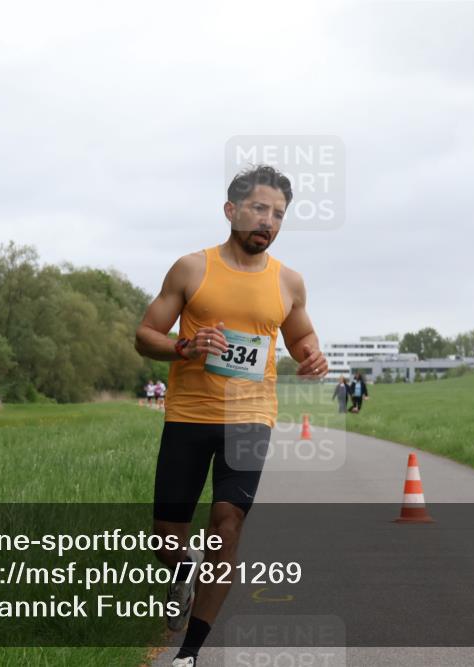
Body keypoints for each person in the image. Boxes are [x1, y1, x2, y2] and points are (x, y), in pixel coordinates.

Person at [134, 164, 328, 667]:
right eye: (260, 209)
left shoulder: (289, 281)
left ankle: (189, 653)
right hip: (189, 415)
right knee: (166, 539)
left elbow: (300, 335)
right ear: (231, 210)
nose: (268, 221)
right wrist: (185, 345)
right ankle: (182, 571)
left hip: (250, 416)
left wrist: (312, 355)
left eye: (278, 214)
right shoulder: (191, 269)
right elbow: (145, 335)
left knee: (227, 524)